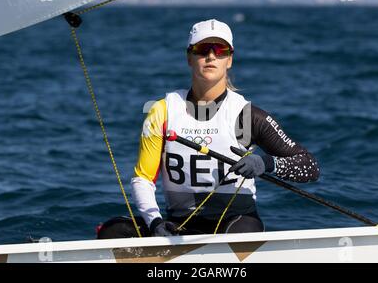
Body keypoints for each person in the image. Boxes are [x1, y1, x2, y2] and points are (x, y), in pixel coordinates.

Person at [97, 19, 319, 239]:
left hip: (235, 222)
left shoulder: (245, 114)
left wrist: (265, 163)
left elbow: (308, 166)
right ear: (189, 58)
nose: (211, 56)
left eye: (220, 50)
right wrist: (155, 223)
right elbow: (143, 179)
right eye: (203, 49)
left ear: (229, 60)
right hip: (178, 225)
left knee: (239, 235)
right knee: (114, 232)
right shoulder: (162, 111)